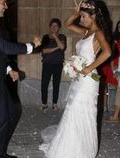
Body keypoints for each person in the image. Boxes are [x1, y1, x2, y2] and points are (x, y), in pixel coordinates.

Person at [39, 0, 111, 157]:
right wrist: (76, 12)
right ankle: (70, 144)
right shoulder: (86, 32)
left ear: (93, 16)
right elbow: (67, 23)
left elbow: (107, 52)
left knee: (82, 111)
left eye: (84, 16)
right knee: (73, 110)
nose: (82, 19)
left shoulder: (98, 32)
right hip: (80, 79)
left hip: (88, 80)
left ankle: (83, 149)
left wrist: (88, 68)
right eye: (82, 16)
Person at [0, 0, 41, 158]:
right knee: (3, 119)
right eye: (3, 2)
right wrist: (31, 45)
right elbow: (4, 47)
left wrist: (9, 69)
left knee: (9, 113)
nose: (6, 6)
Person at [40, 18, 66, 111]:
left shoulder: (62, 36)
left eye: (56, 25)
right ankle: (44, 104)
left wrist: (55, 37)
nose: (54, 27)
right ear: (50, 27)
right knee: (44, 84)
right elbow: (44, 50)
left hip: (58, 64)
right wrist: (56, 48)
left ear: (59, 27)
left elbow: (62, 47)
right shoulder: (45, 37)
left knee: (56, 84)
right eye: (52, 25)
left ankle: (54, 104)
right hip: (47, 64)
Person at [107, 20, 120, 122]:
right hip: (117, 67)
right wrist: (113, 69)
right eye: (119, 27)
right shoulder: (116, 41)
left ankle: (116, 115)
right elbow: (112, 56)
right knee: (117, 90)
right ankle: (116, 115)